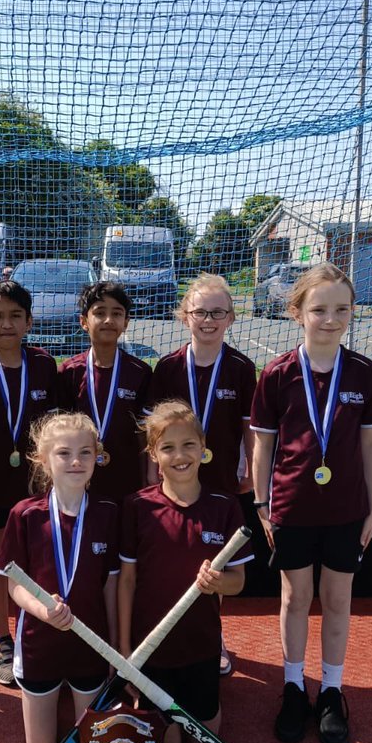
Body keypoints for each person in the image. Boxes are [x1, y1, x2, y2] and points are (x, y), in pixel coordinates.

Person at [250, 263, 372, 743]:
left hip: (347, 510)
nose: (331, 319)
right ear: (297, 312)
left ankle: (330, 691)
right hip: (290, 507)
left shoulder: (364, 372)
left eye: (341, 309)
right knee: (294, 598)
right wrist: (262, 503)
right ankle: (292, 687)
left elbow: (371, 446)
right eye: (320, 309)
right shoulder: (278, 374)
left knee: (337, 600)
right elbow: (262, 446)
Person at [118, 401, 253, 743]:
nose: (180, 455)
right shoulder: (137, 507)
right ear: (153, 454)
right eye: (168, 447)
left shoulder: (224, 507)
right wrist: (123, 652)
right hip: (152, 650)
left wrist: (216, 583)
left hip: (201, 647)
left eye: (188, 445)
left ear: (203, 446)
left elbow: (238, 581)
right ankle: (144, 700)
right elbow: (127, 582)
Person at [147, 273, 257, 675]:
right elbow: (154, 430)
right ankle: (170, 631)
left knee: (217, 565)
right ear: (184, 316)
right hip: (173, 482)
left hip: (221, 483)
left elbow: (250, 431)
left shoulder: (243, 369)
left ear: (230, 317)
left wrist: (253, 475)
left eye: (217, 312)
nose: (208, 320)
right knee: (176, 559)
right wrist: (150, 481)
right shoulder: (168, 368)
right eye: (199, 312)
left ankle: (213, 636)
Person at [0, 412, 120, 743]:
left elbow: (111, 587)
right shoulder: (25, 514)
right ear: (44, 460)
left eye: (85, 452)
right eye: (64, 453)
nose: (76, 461)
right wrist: (41, 611)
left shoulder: (107, 514)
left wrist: (113, 649)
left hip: (90, 645)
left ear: (98, 457)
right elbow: (14, 586)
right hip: (39, 644)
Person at [0, 280, 59, 688]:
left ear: (29, 321)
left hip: (37, 481)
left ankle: (32, 630)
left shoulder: (44, 365)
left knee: (39, 557)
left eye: (15, 316)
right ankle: (3, 638)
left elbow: (53, 429)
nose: (6, 324)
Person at [58, 280, 152, 503]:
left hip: (128, 479)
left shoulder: (140, 372)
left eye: (117, 313)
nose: (109, 320)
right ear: (84, 322)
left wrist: (149, 473)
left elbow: (145, 432)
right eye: (100, 313)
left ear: (126, 322)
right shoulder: (69, 372)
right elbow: (60, 432)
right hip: (80, 479)